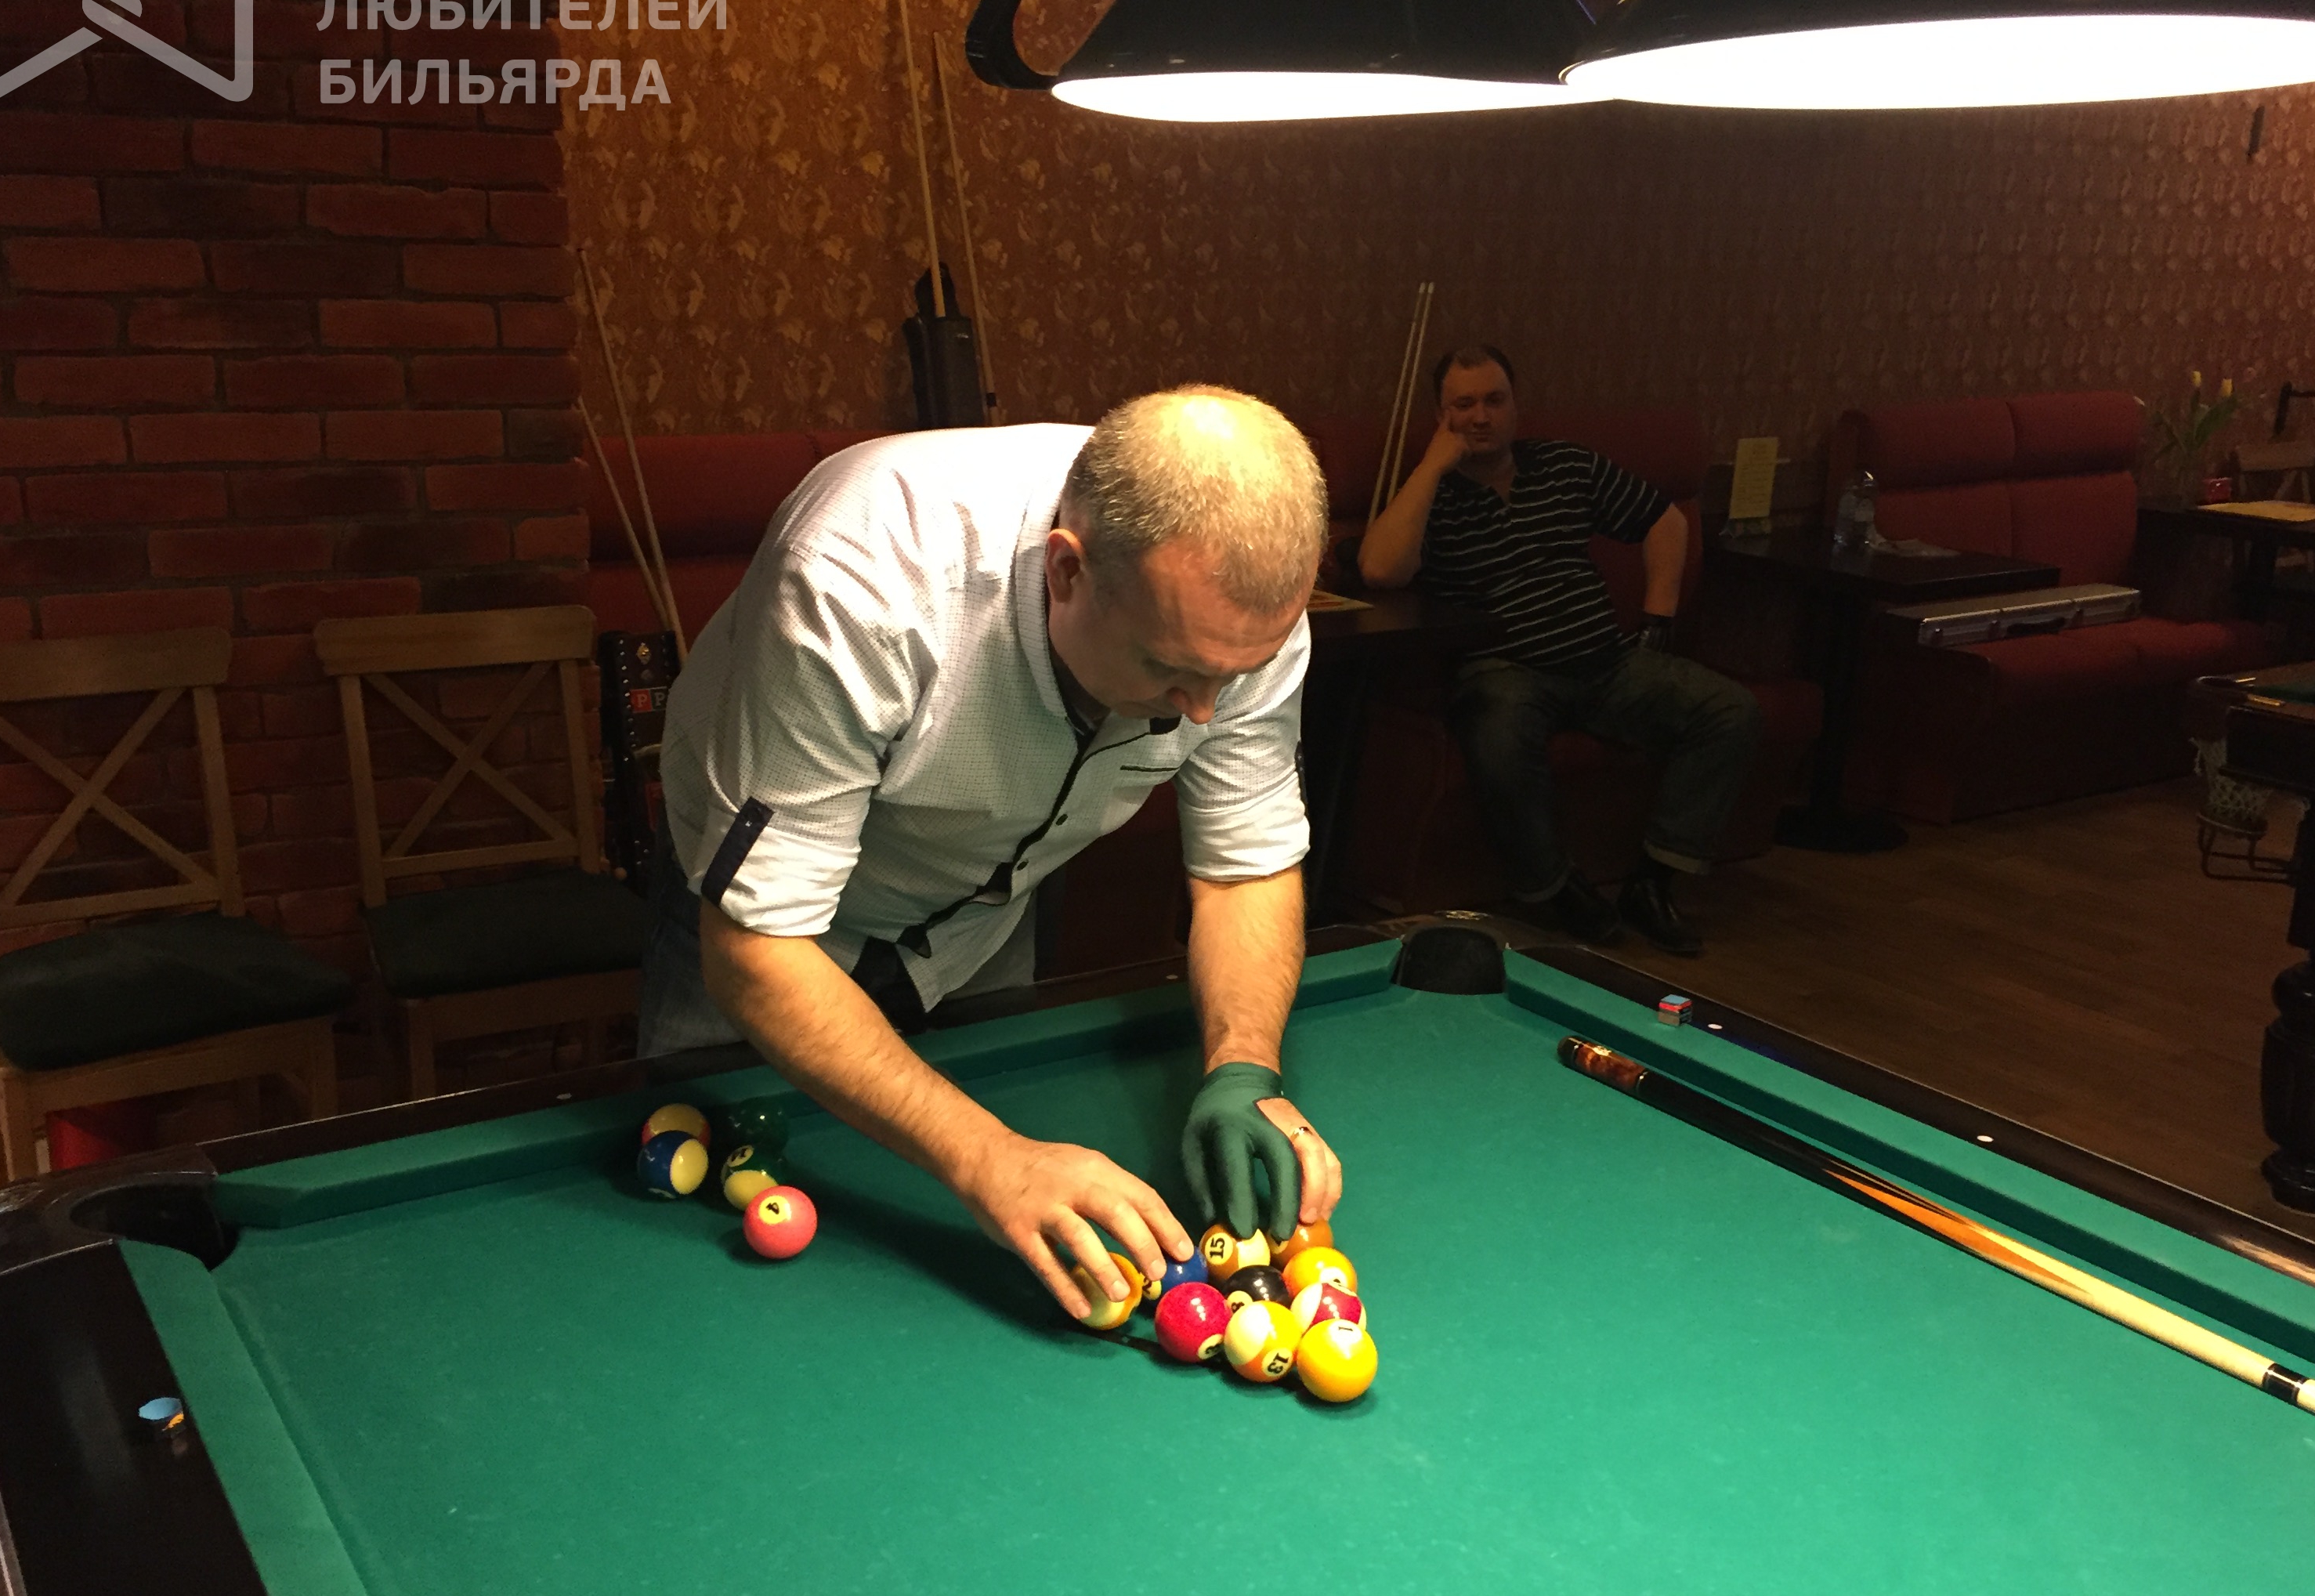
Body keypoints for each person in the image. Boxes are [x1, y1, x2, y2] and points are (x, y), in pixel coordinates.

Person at [640, 388, 1344, 1323]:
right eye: (1170, 669)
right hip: (765, 930)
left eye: (1235, 675)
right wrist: (989, 1158)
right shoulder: (859, 578)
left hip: (985, 915)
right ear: (1066, 570)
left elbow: (1243, 862)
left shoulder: (1232, 614)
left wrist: (1244, 1065)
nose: (1207, 712)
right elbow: (755, 951)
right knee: (705, 1273)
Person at [1358, 346, 1760, 955]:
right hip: (1504, 673)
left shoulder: (1564, 465)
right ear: (1440, 417)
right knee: (1496, 730)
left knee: (1730, 710)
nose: (1481, 416)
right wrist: (1434, 465)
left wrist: (1657, 621)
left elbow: (1667, 521)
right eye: (1463, 405)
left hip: (1607, 662)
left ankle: (1654, 881)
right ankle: (1554, 888)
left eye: (1495, 400)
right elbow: (1380, 569)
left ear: (1515, 406)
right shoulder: (1427, 492)